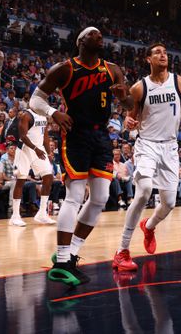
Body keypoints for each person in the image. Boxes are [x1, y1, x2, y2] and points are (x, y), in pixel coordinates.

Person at [30, 27, 130, 286]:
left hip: (102, 137)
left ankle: (71, 253)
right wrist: (53, 112)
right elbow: (35, 100)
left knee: (100, 197)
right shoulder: (65, 69)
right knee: (74, 196)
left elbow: (130, 104)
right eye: (94, 34)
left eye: (101, 34)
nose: (100, 36)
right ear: (81, 41)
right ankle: (62, 261)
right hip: (75, 134)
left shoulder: (113, 69)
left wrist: (124, 99)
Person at [112, 42, 181, 272]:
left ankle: (148, 226)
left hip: (170, 147)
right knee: (144, 191)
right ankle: (122, 251)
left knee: (169, 203)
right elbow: (131, 121)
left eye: (165, 52)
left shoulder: (180, 83)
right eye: (157, 52)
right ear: (148, 59)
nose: (163, 55)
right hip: (147, 145)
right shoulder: (140, 87)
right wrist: (128, 122)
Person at [6, 108, 56, 226]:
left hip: (39, 148)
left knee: (48, 177)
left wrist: (48, 153)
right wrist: (35, 149)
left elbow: (45, 136)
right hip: (25, 149)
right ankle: (15, 216)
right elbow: (23, 136)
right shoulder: (26, 115)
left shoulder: (44, 116)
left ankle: (42, 213)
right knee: (21, 180)